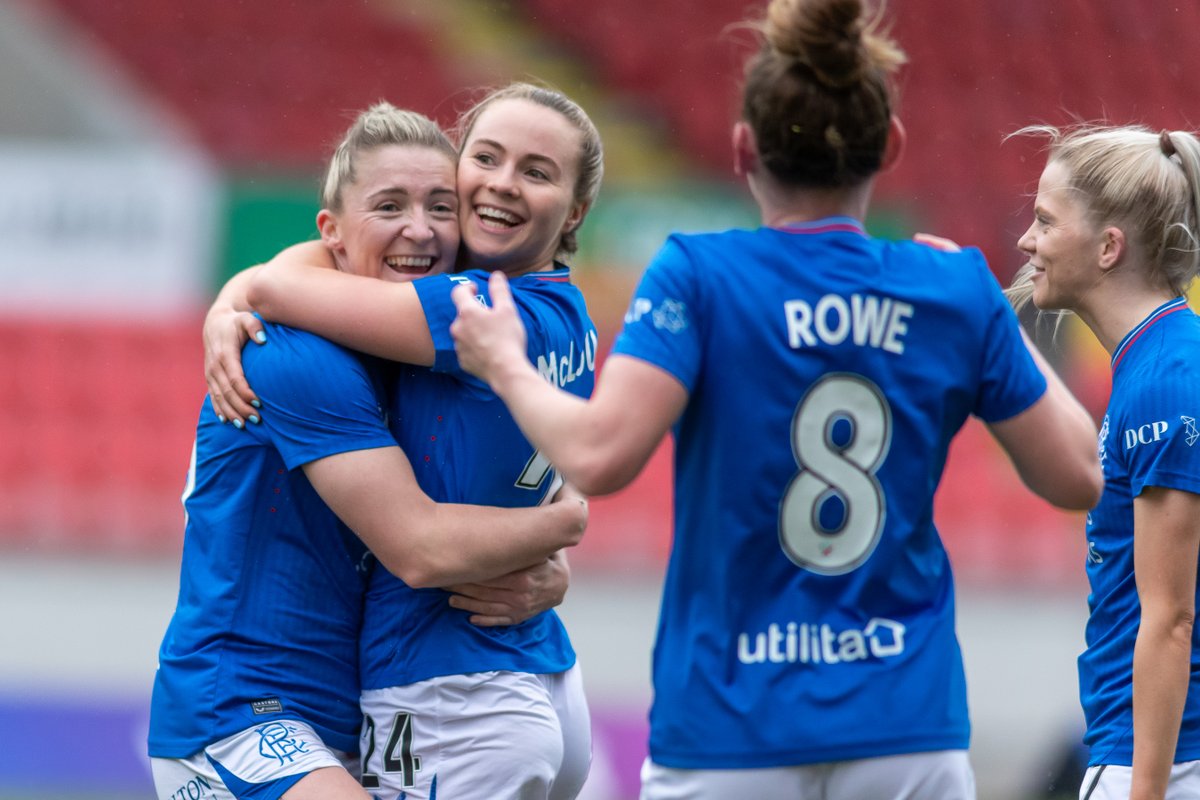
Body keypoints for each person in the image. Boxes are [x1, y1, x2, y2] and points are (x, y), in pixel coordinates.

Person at [446, 1, 1104, 797]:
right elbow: (1078, 476)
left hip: (730, 724)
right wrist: (997, 316)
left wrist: (506, 361)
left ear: (743, 148)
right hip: (904, 726)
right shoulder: (956, 289)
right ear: (890, 146)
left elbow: (596, 456)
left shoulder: (701, 274)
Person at [149, 104, 586, 800]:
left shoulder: (412, 346)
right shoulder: (293, 353)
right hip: (240, 710)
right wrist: (563, 526)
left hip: (354, 716)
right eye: (390, 206)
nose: (420, 229)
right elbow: (420, 547)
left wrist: (550, 566)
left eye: (440, 206)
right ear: (332, 233)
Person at [1008, 124, 1200, 800]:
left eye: (1045, 220)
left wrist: (1144, 788)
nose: (1027, 242)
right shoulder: (1163, 360)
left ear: (1109, 246)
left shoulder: (1165, 380)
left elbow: (1170, 619)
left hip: (1161, 764)